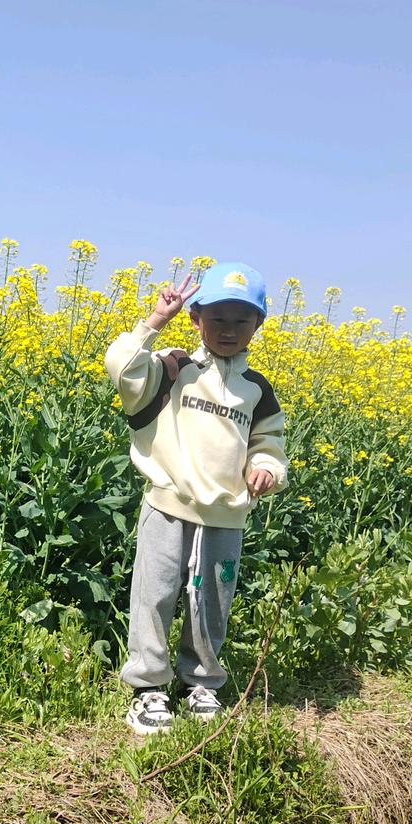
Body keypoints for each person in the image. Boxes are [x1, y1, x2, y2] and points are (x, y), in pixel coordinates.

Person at [104, 262, 289, 735]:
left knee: (212, 602)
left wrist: (266, 469)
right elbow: (120, 368)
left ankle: (200, 683)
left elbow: (269, 445)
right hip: (167, 506)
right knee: (155, 595)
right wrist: (154, 321)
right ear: (197, 318)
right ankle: (148, 691)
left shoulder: (258, 390)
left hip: (225, 517)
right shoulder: (172, 367)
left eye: (241, 320)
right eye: (218, 318)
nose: (229, 330)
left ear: (259, 324)